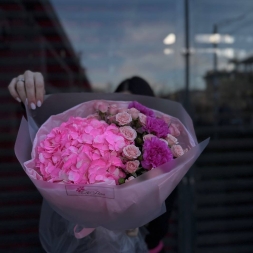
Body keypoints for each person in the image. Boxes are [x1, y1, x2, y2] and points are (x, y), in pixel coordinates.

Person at [8, 71, 177, 253]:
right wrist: (29, 93)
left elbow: (158, 230)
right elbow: (42, 131)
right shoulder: (96, 140)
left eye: (135, 112)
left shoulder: (166, 162)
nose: (129, 114)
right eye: (122, 108)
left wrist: (131, 222)